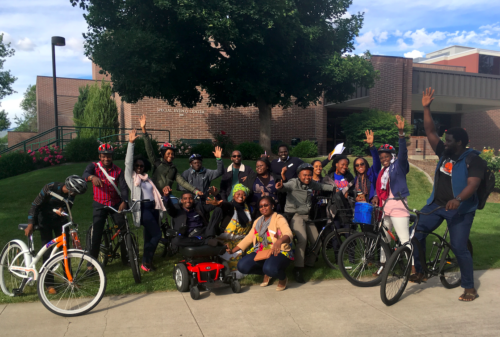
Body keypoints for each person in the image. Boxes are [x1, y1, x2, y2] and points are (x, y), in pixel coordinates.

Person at [410, 87, 485, 302]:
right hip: (437, 205)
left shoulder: (473, 159)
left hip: (460, 210)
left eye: (450, 140)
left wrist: (458, 199)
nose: (446, 142)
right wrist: (426, 108)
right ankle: (421, 270)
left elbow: (473, 184)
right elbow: (430, 132)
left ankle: (469, 287)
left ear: (460, 142)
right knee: (416, 234)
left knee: (459, 247)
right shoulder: (445, 152)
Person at [25, 175, 88, 294]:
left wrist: (63, 210)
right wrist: (30, 224)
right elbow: (35, 205)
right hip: (45, 220)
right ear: (70, 188)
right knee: (47, 251)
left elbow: (68, 206)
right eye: (75, 192)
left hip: (60, 221)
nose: (75, 195)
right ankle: (49, 284)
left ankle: (69, 280)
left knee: (65, 251)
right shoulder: (50, 188)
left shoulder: (71, 195)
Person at [276, 163, 335, 283]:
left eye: (309, 175)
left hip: (307, 217)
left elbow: (321, 186)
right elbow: (284, 187)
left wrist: (335, 188)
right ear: (299, 175)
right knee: (302, 240)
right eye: (304, 175)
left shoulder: (311, 183)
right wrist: (280, 185)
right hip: (295, 216)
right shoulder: (293, 183)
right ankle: (298, 268)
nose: (307, 177)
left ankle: (308, 263)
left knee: (317, 241)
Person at [229, 197, 294, 291]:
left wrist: (279, 241)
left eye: (266, 205)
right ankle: (266, 272)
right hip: (261, 251)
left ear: (272, 206)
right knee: (242, 266)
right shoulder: (258, 221)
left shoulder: (279, 218)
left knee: (270, 268)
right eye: (261, 206)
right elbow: (249, 238)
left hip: (278, 251)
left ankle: (282, 278)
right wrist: (232, 250)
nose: (263, 208)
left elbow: (288, 233)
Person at [125, 129, 166, 272]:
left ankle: (147, 262)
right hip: (142, 209)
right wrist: (131, 144)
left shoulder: (148, 179)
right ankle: (146, 261)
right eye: (137, 166)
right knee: (157, 234)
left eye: (141, 166)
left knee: (149, 237)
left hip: (154, 208)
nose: (139, 168)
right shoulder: (132, 179)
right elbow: (128, 163)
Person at [375, 115, 411, 273]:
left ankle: (412, 267)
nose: (384, 159)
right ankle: (384, 264)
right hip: (386, 207)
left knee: (404, 239)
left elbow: (403, 154)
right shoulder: (383, 170)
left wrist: (401, 134)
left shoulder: (399, 165)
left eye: (386, 156)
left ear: (392, 156)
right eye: (382, 157)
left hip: (398, 205)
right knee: (384, 237)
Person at [83, 143, 129, 262]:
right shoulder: (94, 167)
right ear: (100, 156)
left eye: (108, 156)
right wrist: (92, 177)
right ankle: (92, 263)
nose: (106, 159)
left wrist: (124, 201)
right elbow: (84, 175)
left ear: (112, 157)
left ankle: (126, 258)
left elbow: (124, 188)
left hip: (115, 203)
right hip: (100, 203)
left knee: (123, 230)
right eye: (103, 156)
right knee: (97, 233)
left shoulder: (118, 171)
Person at [139, 114, 202, 196]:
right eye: (168, 153)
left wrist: (195, 191)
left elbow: (182, 182)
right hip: (154, 195)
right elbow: (149, 149)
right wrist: (144, 130)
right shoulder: (156, 162)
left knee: (177, 206)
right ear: (163, 154)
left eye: (172, 154)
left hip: (167, 196)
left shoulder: (174, 169)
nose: (170, 156)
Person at [207, 184, 253, 274]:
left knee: (243, 269)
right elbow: (225, 205)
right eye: (238, 194)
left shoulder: (249, 209)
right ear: (233, 195)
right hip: (225, 243)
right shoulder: (230, 207)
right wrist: (218, 203)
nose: (240, 197)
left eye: (243, 195)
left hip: (240, 244)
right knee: (226, 269)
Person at [353, 130, 381, 204]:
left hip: (375, 205)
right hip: (364, 207)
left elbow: (376, 160)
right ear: (355, 167)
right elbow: (359, 193)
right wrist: (360, 199)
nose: (360, 166)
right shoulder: (357, 178)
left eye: (362, 164)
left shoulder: (372, 172)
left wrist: (371, 146)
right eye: (357, 165)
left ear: (366, 164)